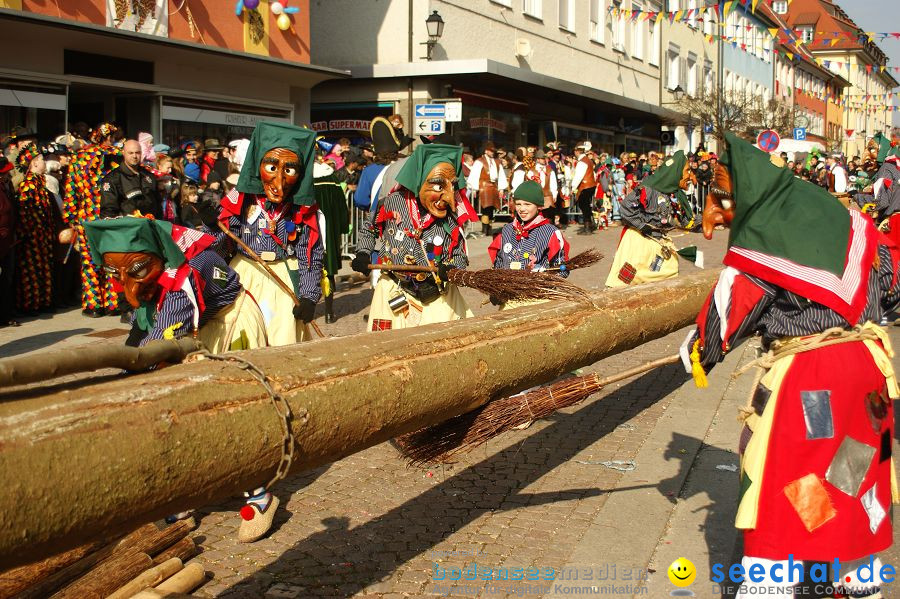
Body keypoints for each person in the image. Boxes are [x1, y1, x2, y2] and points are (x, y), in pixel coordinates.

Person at [687, 133, 900, 599]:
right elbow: (893, 284)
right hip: (867, 372)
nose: (719, 220)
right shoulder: (848, 217)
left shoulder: (762, 235)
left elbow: (724, 321)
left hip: (809, 379)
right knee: (851, 466)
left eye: (723, 206)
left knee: (790, 472)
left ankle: (771, 585)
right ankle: (854, 575)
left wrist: (695, 351)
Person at [205, 121, 323, 346]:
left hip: (284, 280)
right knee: (242, 339)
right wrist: (212, 226)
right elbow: (215, 249)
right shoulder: (239, 200)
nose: (279, 182)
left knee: (282, 342)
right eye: (271, 168)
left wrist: (309, 296)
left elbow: (310, 256)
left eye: (289, 170)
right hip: (244, 277)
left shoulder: (303, 210)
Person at [353, 143, 473, 331]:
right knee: (388, 350)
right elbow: (369, 229)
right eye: (439, 185)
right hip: (394, 289)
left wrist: (452, 270)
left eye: (453, 185)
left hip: (438, 294)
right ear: (420, 181)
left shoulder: (452, 213)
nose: (449, 197)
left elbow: (459, 254)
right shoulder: (391, 202)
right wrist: (363, 252)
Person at [605, 151, 695, 288]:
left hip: (657, 243)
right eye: (687, 170)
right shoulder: (648, 189)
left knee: (667, 273)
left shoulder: (674, 193)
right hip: (640, 243)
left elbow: (681, 220)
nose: (690, 175)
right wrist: (641, 225)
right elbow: (625, 207)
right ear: (676, 172)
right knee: (627, 283)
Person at [63, 122, 123, 317]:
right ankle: (113, 302)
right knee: (111, 259)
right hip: (110, 216)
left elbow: (72, 190)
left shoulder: (79, 158)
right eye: (111, 137)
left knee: (90, 262)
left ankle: (94, 305)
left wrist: (71, 217)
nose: (112, 141)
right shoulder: (116, 156)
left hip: (87, 216)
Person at [488, 181, 569, 310]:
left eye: (527, 204)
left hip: (537, 302)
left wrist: (543, 279)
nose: (522, 209)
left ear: (539, 206)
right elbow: (498, 262)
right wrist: (495, 288)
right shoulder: (507, 230)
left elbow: (562, 269)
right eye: (518, 204)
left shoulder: (550, 232)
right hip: (509, 301)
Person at [13, 144, 54, 315]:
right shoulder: (28, 185)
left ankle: (43, 302)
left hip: (41, 236)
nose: (45, 163)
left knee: (42, 269)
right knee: (31, 271)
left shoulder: (40, 183)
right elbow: (24, 213)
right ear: (34, 164)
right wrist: (30, 234)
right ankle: (30, 305)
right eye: (42, 160)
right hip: (32, 237)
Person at [314, 160, 349, 324]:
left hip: (308, 234)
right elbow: (342, 206)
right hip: (329, 232)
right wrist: (341, 227)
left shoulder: (302, 177)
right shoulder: (331, 178)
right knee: (328, 271)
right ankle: (328, 312)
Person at [100, 139, 162, 219]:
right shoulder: (112, 179)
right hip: (128, 229)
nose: (134, 156)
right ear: (123, 153)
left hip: (150, 227)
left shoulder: (149, 176)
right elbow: (108, 213)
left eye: (137, 152)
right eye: (131, 153)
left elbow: (158, 206)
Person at [466, 142, 507, 237]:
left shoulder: (497, 162)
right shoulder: (479, 161)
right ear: (486, 151)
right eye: (491, 151)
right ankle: (484, 229)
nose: (493, 152)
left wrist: (501, 188)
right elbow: (475, 175)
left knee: (493, 208)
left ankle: (489, 228)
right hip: (484, 186)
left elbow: (501, 176)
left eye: (493, 151)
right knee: (486, 208)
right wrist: (474, 188)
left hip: (494, 186)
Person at [0, 156, 18, 326]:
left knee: (7, 279)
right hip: (2, 240)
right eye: (5, 173)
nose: (8, 175)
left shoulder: (6, 188)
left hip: (8, 241)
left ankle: (6, 314)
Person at [570, 142, 597, 235]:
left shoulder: (582, 162)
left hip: (585, 186)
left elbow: (578, 176)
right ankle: (589, 225)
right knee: (586, 206)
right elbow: (593, 175)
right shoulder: (588, 160)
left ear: (577, 151)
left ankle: (587, 228)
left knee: (584, 206)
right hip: (590, 185)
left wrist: (573, 187)